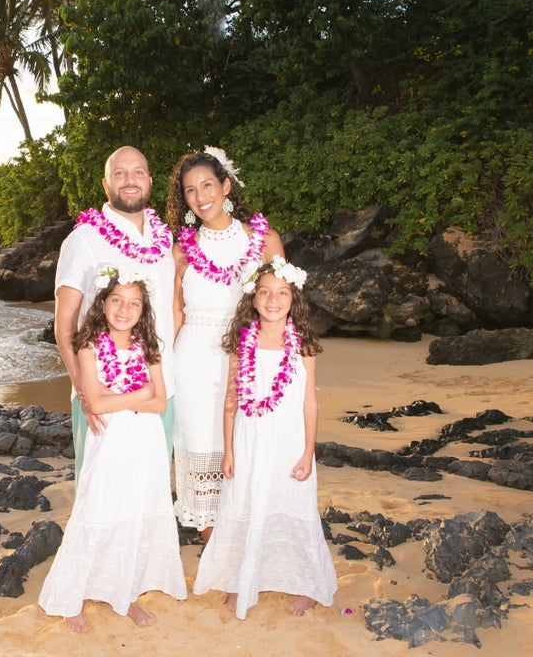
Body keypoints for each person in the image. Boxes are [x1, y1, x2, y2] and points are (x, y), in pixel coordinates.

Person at [39, 267, 187, 631]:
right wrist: (138, 395)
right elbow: (97, 404)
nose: (124, 309)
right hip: (109, 438)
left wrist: (117, 397)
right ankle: (71, 598)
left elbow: (160, 404)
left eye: (134, 303)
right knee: (97, 507)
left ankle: (129, 594)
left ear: (143, 310)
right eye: (117, 300)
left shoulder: (149, 347)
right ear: (103, 304)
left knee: (137, 509)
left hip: (146, 439)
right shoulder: (88, 347)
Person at [192, 257, 337, 619]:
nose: (273, 300)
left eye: (282, 293)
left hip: (288, 441)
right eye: (265, 293)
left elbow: (309, 403)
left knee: (294, 505)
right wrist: (228, 450)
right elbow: (230, 402)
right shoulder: (243, 345)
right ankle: (242, 580)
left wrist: (308, 452)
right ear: (252, 299)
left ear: (293, 299)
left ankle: (309, 586)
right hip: (249, 439)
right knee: (245, 503)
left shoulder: (303, 345)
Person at [167, 146, 283, 541]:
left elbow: (283, 306)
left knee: (248, 442)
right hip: (194, 359)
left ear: (226, 186)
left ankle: (249, 530)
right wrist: (159, 368)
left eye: (207, 185)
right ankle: (211, 536)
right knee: (201, 441)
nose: (200, 197)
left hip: (251, 356)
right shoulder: (181, 251)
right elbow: (175, 313)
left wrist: (292, 365)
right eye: (190, 190)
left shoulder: (265, 241)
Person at [55, 146, 176, 479]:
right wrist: (83, 390)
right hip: (102, 391)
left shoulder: (164, 242)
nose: (130, 180)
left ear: (150, 181)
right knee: (99, 495)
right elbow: (65, 322)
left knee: (149, 491)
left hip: (159, 391)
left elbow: (171, 310)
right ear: (106, 184)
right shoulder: (84, 240)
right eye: (119, 173)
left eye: (138, 172)